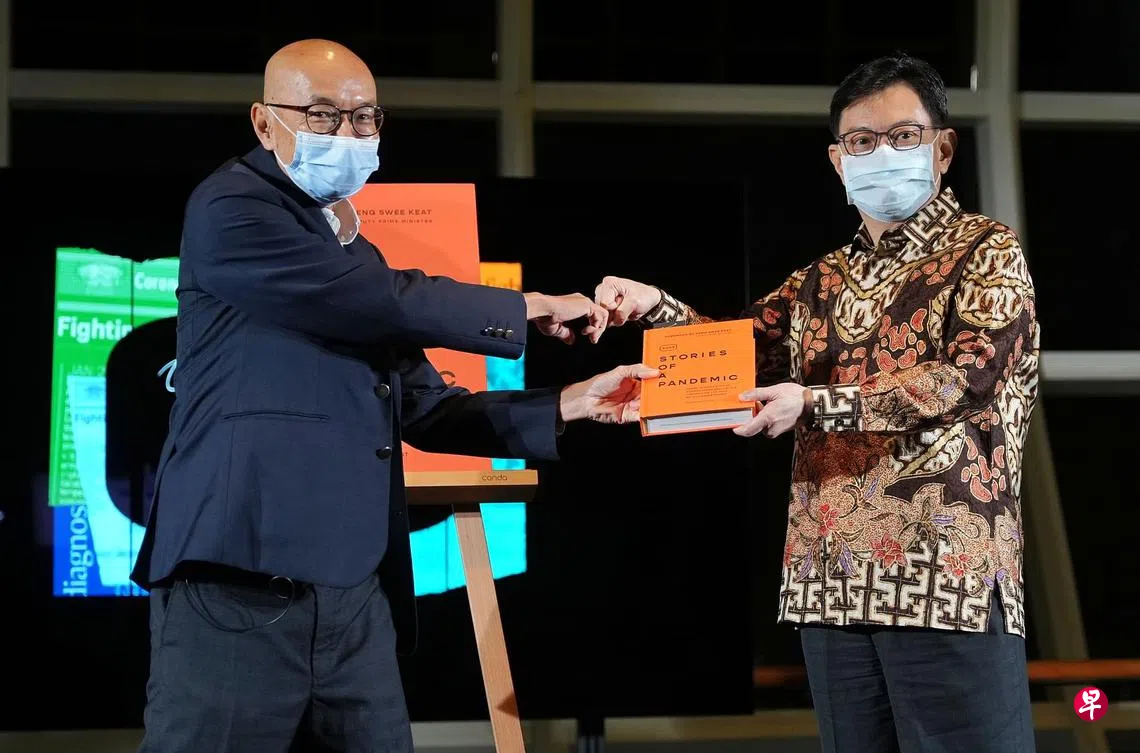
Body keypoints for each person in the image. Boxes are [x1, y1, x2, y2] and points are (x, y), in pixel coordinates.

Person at [130, 39, 655, 753]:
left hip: (352, 596)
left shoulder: (352, 252)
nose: (348, 135)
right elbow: (377, 297)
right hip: (239, 581)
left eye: (365, 118)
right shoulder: (233, 206)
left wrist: (571, 402)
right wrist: (524, 304)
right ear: (263, 122)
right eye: (322, 115)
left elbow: (427, 408)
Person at [594, 53, 1039, 753]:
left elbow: (964, 379)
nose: (881, 153)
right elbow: (735, 354)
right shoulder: (820, 280)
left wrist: (814, 403)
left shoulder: (986, 250)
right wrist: (654, 306)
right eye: (861, 140)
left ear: (943, 148)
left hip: (945, 577)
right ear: (838, 161)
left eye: (903, 135)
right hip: (828, 584)